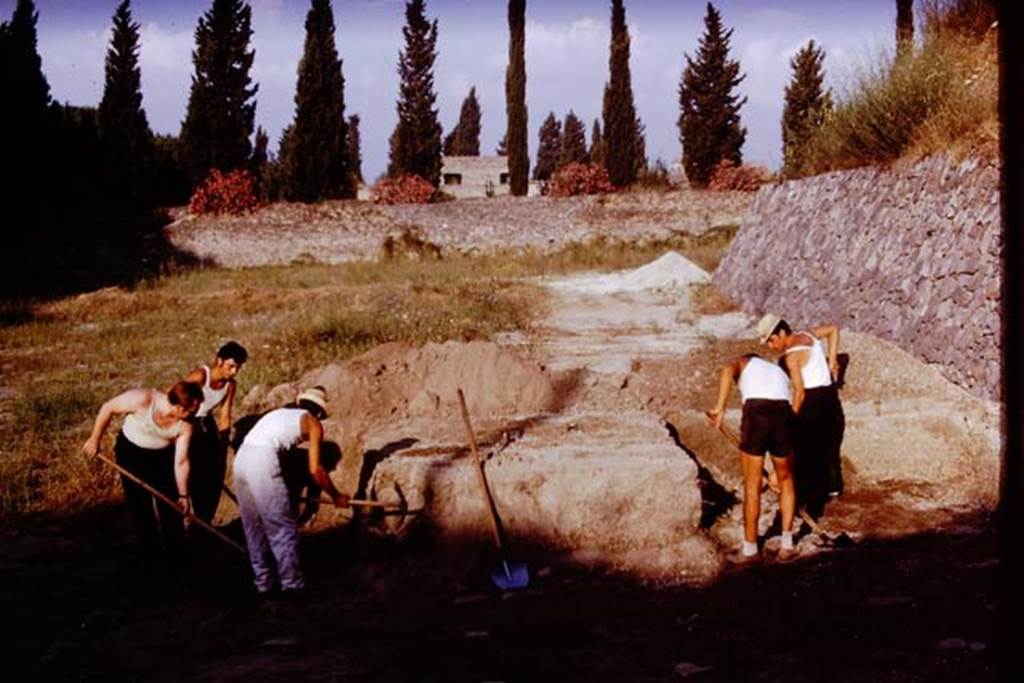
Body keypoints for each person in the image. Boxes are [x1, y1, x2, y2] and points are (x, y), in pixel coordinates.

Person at [233, 386, 348, 595]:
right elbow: (316, 469)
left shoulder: (279, 414)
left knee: (253, 526)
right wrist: (336, 496)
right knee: (282, 526)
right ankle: (292, 586)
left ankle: (263, 584)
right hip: (261, 459)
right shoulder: (313, 423)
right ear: (320, 412)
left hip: (241, 458)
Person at [82, 381, 203, 567]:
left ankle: (176, 558)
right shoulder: (144, 399)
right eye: (191, 411)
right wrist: (94, 438)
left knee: (170, 507)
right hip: (131, 456)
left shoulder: (185, 426)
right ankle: (152, 557)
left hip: (162, 459)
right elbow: (109, 408)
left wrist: (183, 495)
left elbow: (181, 461)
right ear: (179, 407)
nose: (193, 415)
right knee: (140, 508)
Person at [708, 354, 797, 560]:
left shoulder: (744, 360)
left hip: (756, 412)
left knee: (752, 484)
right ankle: (787, 545)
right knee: (786, 480)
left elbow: (726, 370)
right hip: (784, 412)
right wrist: (774, 473)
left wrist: (719, 409)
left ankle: (750, 551)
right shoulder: (777, 371)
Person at [758, 313, 846, 518]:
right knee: (830, 448)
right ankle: (834, 492)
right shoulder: (808, 335)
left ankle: (807, 501)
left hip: (813, 403)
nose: (771, 346)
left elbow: (800, 392)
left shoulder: (792, 357)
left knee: (804, 451)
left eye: (771, 340)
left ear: (780, 332)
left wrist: (791, 419)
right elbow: (833, 329)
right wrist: (832, 362)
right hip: (830, 399)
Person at [183, 341, 248, 523]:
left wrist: (222, 448)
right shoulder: (200, 376)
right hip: (187, 422)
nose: (234, 372)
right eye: (231, 366)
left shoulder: (229, 385)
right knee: (193, 470)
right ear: (219, 361)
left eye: (238, 368)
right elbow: (176, 397)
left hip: (206, 425)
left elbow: (225, 416)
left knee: (215, 471)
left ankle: (204, 520)